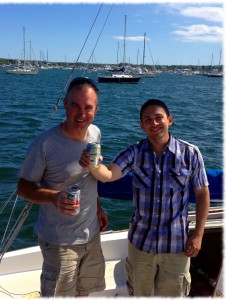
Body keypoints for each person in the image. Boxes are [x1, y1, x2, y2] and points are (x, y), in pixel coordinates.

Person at [79, 98, 210, 297]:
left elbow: (202, 194)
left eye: (159, 118)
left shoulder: (190, 153)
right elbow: (108, 175)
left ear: (170, 120)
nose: (154, 123)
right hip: (141, 244)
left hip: (176, 246)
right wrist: (93, 165)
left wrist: (198, 234)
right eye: (148, 120)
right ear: (141, 126)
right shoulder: (134, 153)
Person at [17, 77, 108, 297]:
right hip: (60, 242)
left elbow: (89, 178)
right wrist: (54, 197)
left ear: (96, 109)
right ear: (65, 104)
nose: (81, 114)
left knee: (85, 292)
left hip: (91, 234)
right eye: (75, 105)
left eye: (88, 107)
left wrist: (98, 208)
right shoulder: (45, 144)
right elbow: (23, 188)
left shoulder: (95, 133)